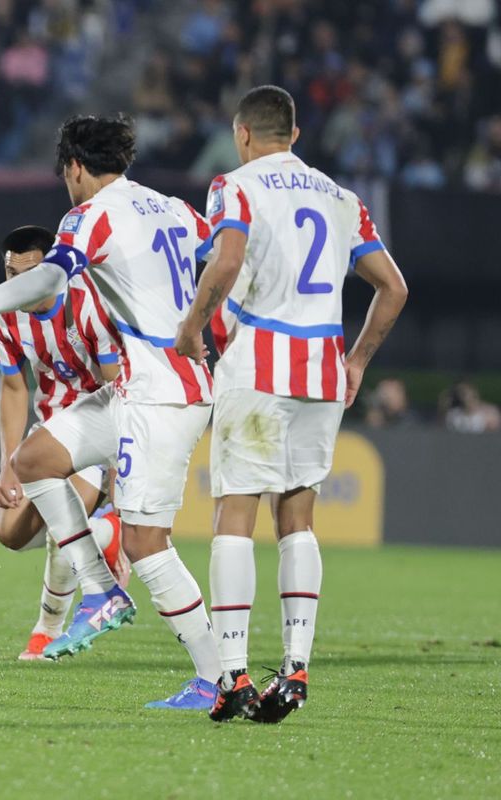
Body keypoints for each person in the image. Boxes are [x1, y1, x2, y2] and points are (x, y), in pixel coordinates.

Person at [0, 114, 223, 709]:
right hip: (145, 386)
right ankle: (100, 589)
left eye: (65, 174)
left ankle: (218, 679)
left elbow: (48, 277)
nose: (66, 185)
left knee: (148, 545)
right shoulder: (176, 209)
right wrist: (212, 326)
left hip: (160, 393)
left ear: (75, 168)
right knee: (34, 458)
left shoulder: (89, 216)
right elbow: (227, 261)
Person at [175, 85, 409, 722]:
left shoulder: (235, 184)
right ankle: (296, 668)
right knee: (297, 520)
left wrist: (193, 325)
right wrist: (356, 361)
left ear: (242, 134)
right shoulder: (342, 199)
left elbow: (224, 262)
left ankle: (232, 674)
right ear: (296, 136)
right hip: (323, 374)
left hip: (258, 368)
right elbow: (393, 288)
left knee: (234, 517)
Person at [0, 224, 128, 661]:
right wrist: (8, 465)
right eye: (11, 274)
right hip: (49, 431)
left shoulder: (89, 301)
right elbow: (14, 389)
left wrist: (117, 473)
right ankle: (106, 532)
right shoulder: (3, 312)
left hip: (97, 424)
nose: (18, 284)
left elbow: (119, 393)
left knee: (62, 524)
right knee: (9, 533)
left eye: (28, 272)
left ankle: (46, 629)